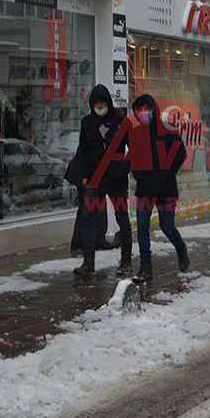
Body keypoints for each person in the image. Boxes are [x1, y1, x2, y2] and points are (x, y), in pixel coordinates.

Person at [70, 85, 131, 278]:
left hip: (116, 178)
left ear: (108, 102)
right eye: (96, 102)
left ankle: (126, 260)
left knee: (122, 217)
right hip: (95, 179)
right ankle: (88, 262)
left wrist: (124, 168)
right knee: (88, 217)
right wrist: (84, 176)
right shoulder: (87, 123)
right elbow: (84, 150)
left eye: (102, 102)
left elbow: (134, 148)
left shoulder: (121, 120)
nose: (99, 106)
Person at [127, 94, 189, 282]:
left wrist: (166, 173)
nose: (143, 113)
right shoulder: (136, 134)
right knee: (143, 227)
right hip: (145, 188)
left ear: (154, 109)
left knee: (167, 226)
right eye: (140, 110)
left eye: (147, 109)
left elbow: (181, 154)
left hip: (166, 188)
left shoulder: (168, 131)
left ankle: (181, 249)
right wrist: (138, 174)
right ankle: (145, 268)